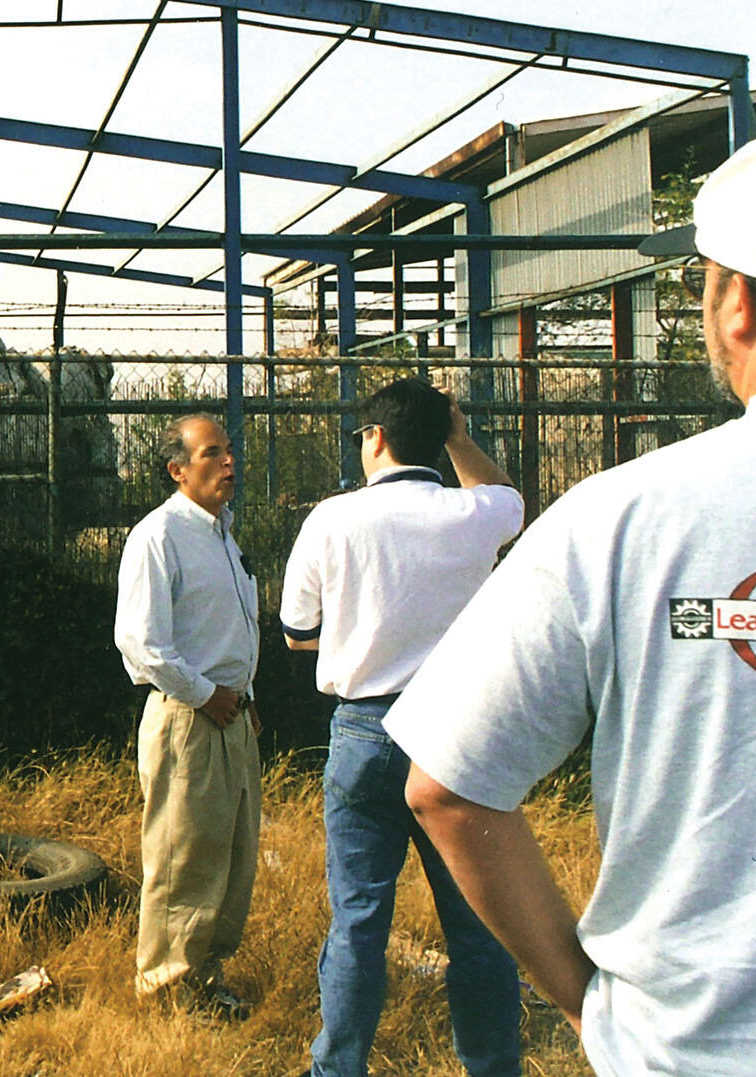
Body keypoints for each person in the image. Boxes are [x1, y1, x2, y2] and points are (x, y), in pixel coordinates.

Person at [391, 130, 756, 1076]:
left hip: (690, 1050)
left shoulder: (623, 515)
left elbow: (446, 786)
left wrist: (583, 1000)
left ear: (734, 302)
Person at [278, 378, 524, 1077]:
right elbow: (512, 500)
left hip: (365, 729)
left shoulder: (331, 518)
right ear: (438, 439)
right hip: (460, 728)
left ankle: (339, 1067)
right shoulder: (474, 511)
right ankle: (492, 1064)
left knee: (358, 921)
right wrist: (458, 433)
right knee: (478, 924)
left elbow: (299, 633)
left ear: (374, 437)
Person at [114, 413, 262, 1015]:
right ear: (177, 469)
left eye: (228, 451)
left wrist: (244, 699)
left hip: (232, 716)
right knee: (182, 863)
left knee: (230, 857)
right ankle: (166, 994)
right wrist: (208, 695)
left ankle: (204, 980)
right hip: (190, 716)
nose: (228, 462)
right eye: (211, 454)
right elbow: (142, 643)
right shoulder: (159, 536)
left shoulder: (223, 533)